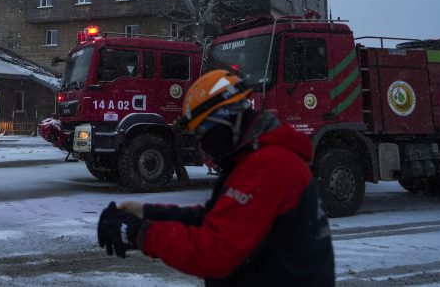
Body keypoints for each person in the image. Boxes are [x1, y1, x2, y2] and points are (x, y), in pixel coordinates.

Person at [97, 69, 335, 286]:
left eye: (203, 132)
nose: (202, 144)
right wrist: (147, 214)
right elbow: (212, 218)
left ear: (225, 121)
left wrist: (140, 233)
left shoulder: (269, 166)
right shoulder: (251, 160)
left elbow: (214, 252)